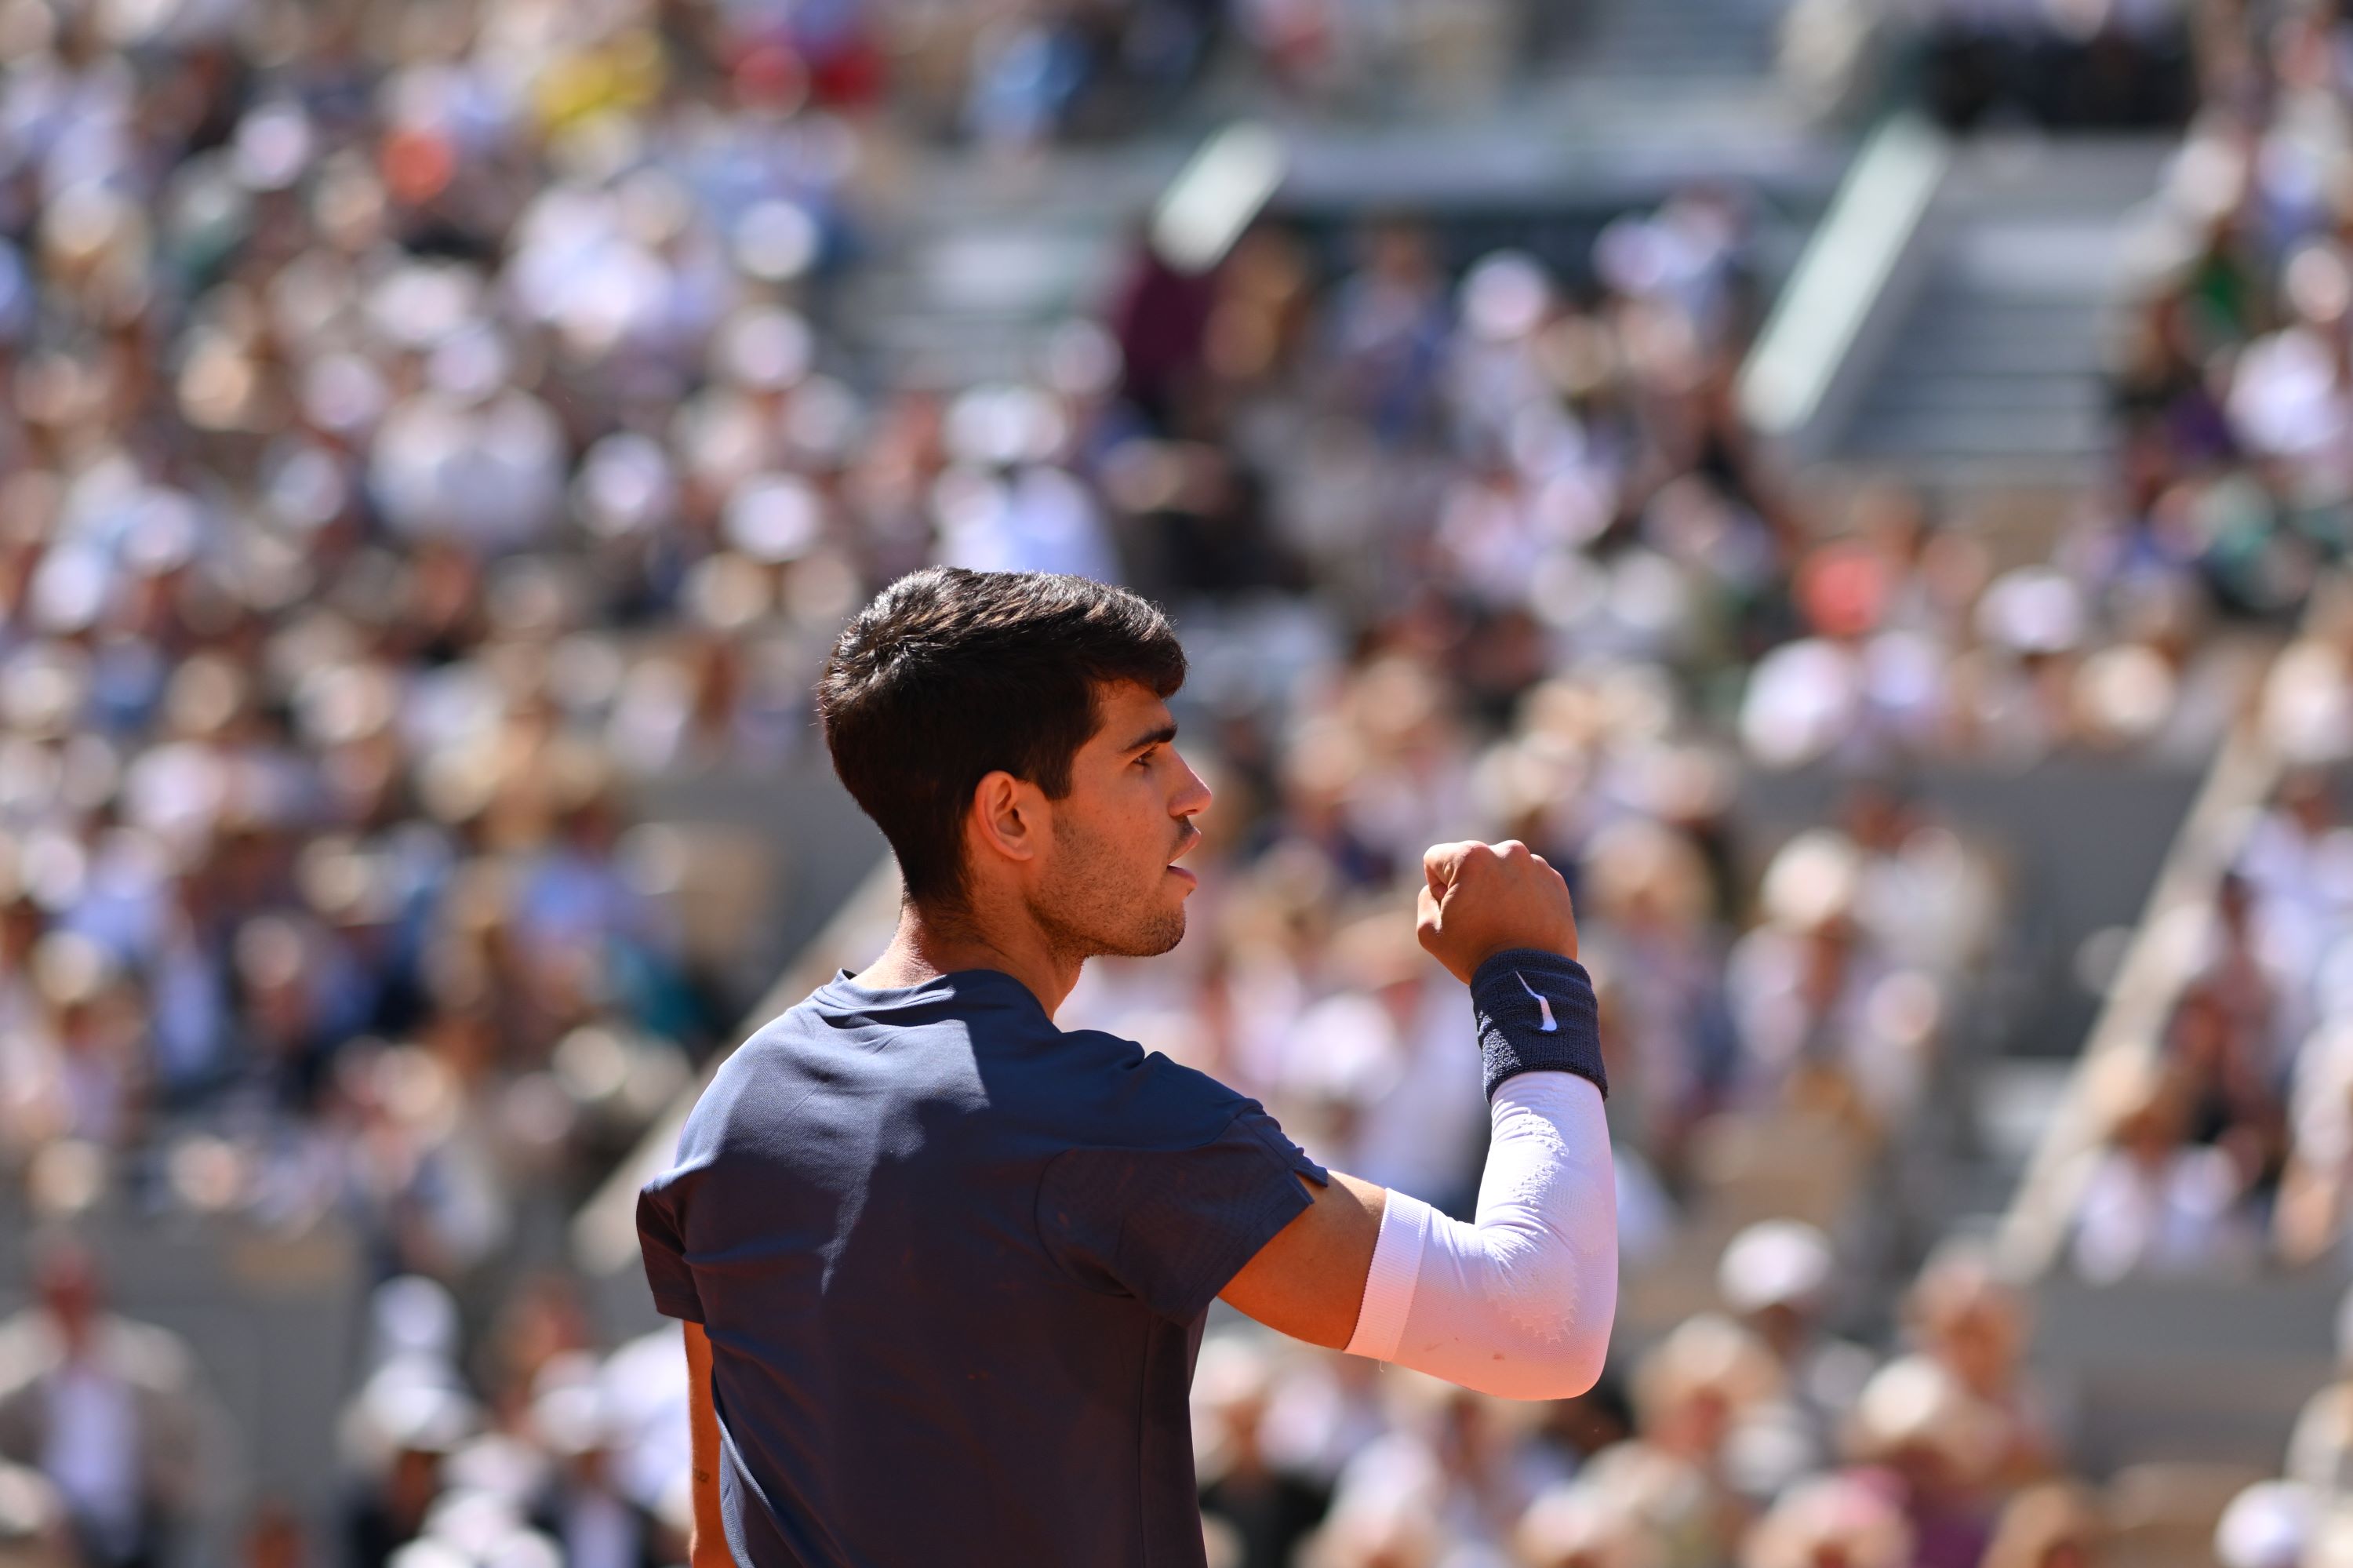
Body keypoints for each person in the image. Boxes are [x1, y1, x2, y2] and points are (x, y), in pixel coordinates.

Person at [635, 568, 1618, 1565]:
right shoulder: (1105, 1120)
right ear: (1011, 816)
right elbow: (1544, 1325)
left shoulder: (734, 1104)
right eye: (1144, 760)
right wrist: (1530, 987)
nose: (1195, 797)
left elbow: (717, 1548)